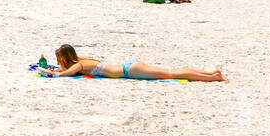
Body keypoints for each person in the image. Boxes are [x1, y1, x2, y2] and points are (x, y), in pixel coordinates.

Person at [45, 43, 224, 81]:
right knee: (172, 71)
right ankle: (212, 73)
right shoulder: (83, 60)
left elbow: (66, 73)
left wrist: (53, 73)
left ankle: (214, 77)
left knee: (172, 74)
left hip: (130, 71)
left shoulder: (79, 65)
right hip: (129, 65)